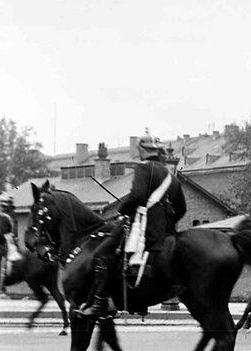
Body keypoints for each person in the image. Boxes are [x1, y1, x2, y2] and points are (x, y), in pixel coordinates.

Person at [78, 131, 187, 318]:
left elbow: (138, 196)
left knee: (102, 254)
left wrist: (122, 210)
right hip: (162, 230)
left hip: (142, 227)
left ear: (142, 151)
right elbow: (182, 208)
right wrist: (166, 225)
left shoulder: (143, 169)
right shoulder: (171, 176)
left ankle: (100, 303)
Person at [0, 194, 20, 297]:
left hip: (4, 244)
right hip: (12, 244)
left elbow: (0, 233)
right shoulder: (12, 214)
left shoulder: (4, 216)